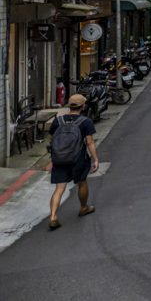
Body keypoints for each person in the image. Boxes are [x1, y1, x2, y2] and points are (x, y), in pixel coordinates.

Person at [47, 93, 98, 230]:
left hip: (59, 159)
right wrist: (95, 159)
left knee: (59, 188)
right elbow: (89, 142)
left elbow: (53, 140)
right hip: (78, 158)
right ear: (83, 106)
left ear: (69, 106)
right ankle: (83, 207)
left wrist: (52, 158)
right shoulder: (86, 122)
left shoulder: (58, 121)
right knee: (82, 183)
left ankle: (53, 217)